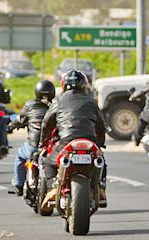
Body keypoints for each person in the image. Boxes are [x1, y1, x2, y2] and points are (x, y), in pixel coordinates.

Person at [39, 70, 108, 205]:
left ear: (64, 85)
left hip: (66, 141)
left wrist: (43, 141)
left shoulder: (58, 100)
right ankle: (100, 187)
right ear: (84, 85)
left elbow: (47, 123)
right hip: (89, 141)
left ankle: (52, 188)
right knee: (101, 160)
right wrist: (100, 143)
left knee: (48, 163)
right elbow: (100, 125)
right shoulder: (91, 101)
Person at [11, 79, 56, 195]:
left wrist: (10, 126)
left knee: (20, 156)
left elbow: (20, 120)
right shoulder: (56, 106)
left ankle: (18, 184)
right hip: (50, 148)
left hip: (33, 146)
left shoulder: (30, 105)